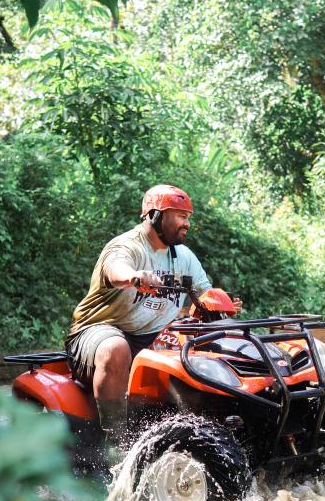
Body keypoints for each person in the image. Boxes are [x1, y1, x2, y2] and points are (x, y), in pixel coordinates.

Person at [65, 185, 218, 442]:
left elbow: (204, 295)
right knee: (116, 348)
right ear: (155, 216)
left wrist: (217, 305)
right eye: (180, 216)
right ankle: (115, 444)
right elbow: (116, 269)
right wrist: (134, 276)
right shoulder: (127, 246)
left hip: (153, 337)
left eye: (188, 217)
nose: (187, 224)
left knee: (204, 347)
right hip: (98, 331)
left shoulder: (184, 257)